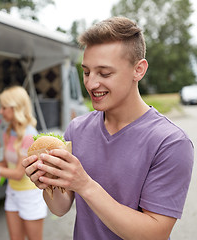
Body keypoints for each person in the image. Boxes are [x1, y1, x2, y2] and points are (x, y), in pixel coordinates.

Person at [22, 16, 194, 240]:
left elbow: (154, 234)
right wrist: (47, 182)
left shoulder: (170, 142)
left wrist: (85, 185)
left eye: (105, 73)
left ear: (138, 70)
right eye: (86, 72)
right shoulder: (77, 129)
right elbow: (60, 208)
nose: (91, 84)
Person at [0, 86, 47, 240]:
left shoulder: (29, 135)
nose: (0, 111)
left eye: (4, 107)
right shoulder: (9, 131)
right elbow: (6, 163)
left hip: (30, 195)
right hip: (12, 193)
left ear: (16, 108)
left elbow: (19, 174)